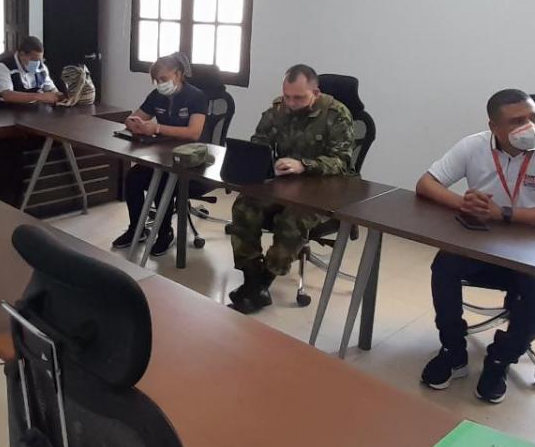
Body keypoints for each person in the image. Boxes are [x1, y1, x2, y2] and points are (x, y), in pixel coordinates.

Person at [416, 89, 535, 404]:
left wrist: (504, 213)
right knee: (445, 265)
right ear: (494, 127)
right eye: (517, 121)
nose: (530, 127)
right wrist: (462, 203)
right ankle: (453, 351)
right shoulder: (473, 146)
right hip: (486, 245)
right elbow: (426, 184)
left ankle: (500, 359)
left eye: (533, 117)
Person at [226, 65, 356, 315]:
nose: (291, 103)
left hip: (323, 190)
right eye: (287, 96)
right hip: (284, 184)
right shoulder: (279, 109)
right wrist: (264, 160)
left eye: (298, 98)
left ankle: (263, 283)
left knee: (292, 219)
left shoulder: (337, 114)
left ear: (315, 93)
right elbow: (259, 142)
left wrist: (304, 165)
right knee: (244, 205)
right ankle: (252, 279)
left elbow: (342, 162)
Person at [111, 53, 207, 257]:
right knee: (133, 178)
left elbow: (194, 133)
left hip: (190, 159)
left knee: (162, 183)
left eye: (164, 78)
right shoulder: (156, 96)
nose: (160, 84)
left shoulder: (196, 97)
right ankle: (136, 229)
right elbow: (131, 119)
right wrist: (136, 125)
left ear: (178, 74)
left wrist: (157, 128)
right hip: (163, 155)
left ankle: (165, 233)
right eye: (156, 80)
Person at [0, 35, 64, 105]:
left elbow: (51, 89)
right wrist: (40, 96)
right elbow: (7, 95)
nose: (37, 63)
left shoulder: (41, 67)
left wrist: (60, 96)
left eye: (39, 60)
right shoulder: (2, 67)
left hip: (35, 109)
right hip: (7, 109)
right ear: (22, 55)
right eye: (33, 59)